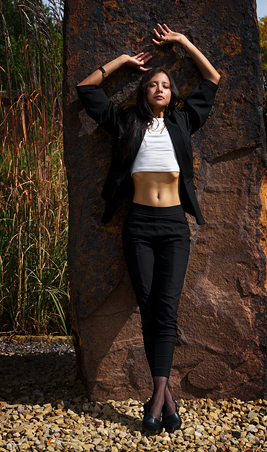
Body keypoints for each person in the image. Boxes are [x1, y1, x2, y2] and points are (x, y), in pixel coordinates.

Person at [76, 23, 220, 433]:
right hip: (138, 225)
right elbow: (86, 91)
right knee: (148, 305)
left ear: (173, 94)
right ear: (143, 92)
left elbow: (212, 78)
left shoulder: (183, 122)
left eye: (166, 84)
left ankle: (155, 402)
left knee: (166, 309)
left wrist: (184, 43)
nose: (160, 88)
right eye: (153, 84)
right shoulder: (125, 122)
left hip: (175, 226)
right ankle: (165, 402)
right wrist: (121, 62)